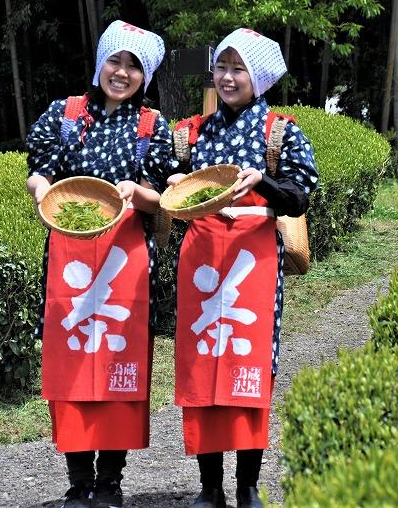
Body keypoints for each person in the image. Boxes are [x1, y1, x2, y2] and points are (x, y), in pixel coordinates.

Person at [154, 28, 319, 508]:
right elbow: (160, 179)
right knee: (202, 366)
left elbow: (299, 197)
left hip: (254, 260)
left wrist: (261, 181)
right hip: (202, 257)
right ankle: (210, 487)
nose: (227, 78)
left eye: (238, 69)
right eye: (222, 68)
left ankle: (247, 486)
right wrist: (173, 180)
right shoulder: (190, 133)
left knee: (250, 368)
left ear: (259, 77)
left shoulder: (279, 132)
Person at [25, 20, 171, 508]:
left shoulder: (151, 126)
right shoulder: (64, 114)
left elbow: (161, 196)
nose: (122, 73)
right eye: (115, 60)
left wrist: (136, 193)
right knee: (70, 368)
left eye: (134, 66)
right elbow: (39, 173)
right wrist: (42, 192)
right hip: (69, 257)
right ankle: (77, 481)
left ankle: (109, 481)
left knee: (118, 369)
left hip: (125, 261)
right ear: (99, 62)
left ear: (145, 77)